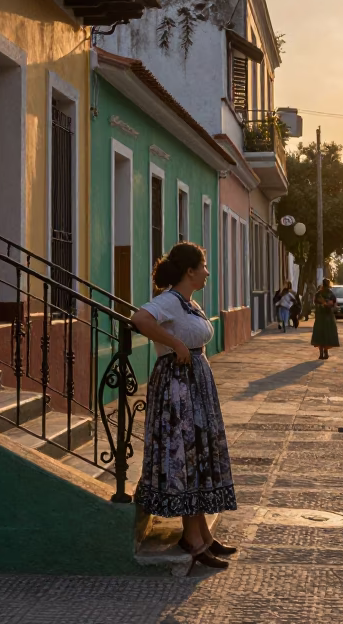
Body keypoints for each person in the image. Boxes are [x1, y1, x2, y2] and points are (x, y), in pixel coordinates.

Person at [132, 242, 238, 570]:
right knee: (187, 455)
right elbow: (140, 318)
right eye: (203, 266)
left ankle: (202, 533)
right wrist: (175, 344)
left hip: (195, 385)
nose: (207, 272)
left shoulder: (189, 303)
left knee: (199, 455)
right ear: (189, 271)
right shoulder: (168, 301)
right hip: (177, 389)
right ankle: (192, 538)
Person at [311, 278, 340, 360]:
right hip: (328, 317)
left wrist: (323, 304)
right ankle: (325, 352)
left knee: (320, 334)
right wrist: (328, 304)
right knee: (327, 334)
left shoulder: (318, 294)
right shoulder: (331, 294)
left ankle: (321, 353)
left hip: (320, 317)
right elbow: (334, 304)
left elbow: (315, 303)